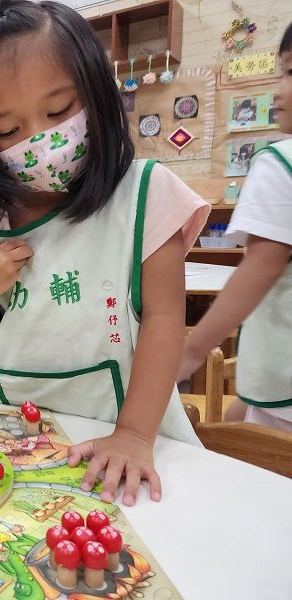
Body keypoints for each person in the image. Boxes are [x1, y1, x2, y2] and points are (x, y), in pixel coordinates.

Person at [0, 0, 210, 506]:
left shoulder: (145, 195)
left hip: (122, 437)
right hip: (9, 438)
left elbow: (166, 319)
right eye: (8, 130)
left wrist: (133, 435)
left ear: (96, 94)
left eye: (59, 111)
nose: (41, 140)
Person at [179, 23, 292, 433]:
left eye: (290, 73)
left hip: (283, 382)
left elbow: (262, 265)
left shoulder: (280, 163)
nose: (277, 92)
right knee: (236, 418)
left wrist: (191, 351)